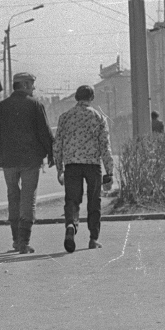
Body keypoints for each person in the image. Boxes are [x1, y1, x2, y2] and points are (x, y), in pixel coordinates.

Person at [0, 71, 54, 254]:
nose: (33, 88)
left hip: (8, 161)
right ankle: (24, 241)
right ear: (24, 85)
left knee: (13, 197)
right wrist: (52, 154)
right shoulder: (35, 105)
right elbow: (45, 132)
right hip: (31, 160)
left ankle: (15, 240)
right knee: (28, 199)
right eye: (31, 84)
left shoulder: (2, 106)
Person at [54, 85, 115, 252]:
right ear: (92, 98)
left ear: (76, 97)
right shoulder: (98, 117)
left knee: (72, 199)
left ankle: (71, 225)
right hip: (93, 165)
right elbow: (105, 146)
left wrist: (59, 168)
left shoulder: (65, 117)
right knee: (94, 201)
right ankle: (93, 238)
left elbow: (57, 144)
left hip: (72, 164)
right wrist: (109, 172)